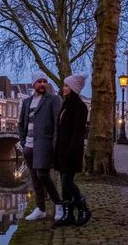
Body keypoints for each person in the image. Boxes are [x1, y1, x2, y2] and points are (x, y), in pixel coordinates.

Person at [18, 70, 63, 221]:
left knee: (42, 175)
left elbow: (58, 124)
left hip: (44, 145)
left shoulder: (53, 100)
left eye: (45, 81)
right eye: (40, 81)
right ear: (34, 84)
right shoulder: (26, 102)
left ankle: (58, 204)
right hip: (28, 146)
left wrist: (55, 145)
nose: (43, 84)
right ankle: (40, 208)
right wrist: (23, 142)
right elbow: (21, 123)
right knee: (34, 177)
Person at [53, 72, 91, 227]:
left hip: (70, 152)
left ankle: (83, 208)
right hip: (61, 151)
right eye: (64, 85)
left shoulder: (80, 107)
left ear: (74, 88)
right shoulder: (65, 104)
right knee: (63, 182)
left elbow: (77, 133)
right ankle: (68, 215)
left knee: (67, 181)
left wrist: (70, 151)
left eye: (67, 85)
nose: (64, 88)